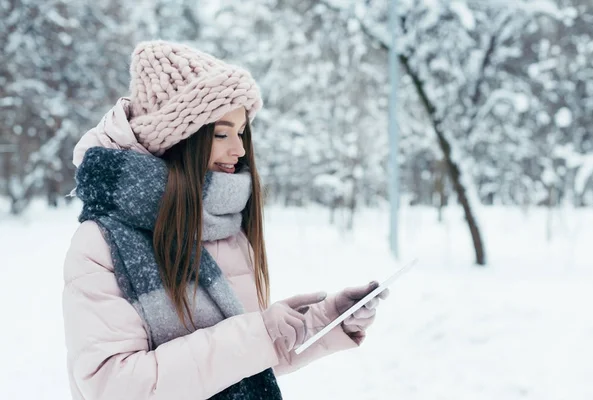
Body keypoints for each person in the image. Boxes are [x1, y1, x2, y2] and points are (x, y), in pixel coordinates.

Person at [62, 40, 389, 400]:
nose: (240, 149)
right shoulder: (101, 243)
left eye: (241, 132)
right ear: (179, 138)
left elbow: (244, 363)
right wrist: (259, 333)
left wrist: (327, 320)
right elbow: (115, 386)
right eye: (222, 134)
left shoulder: (222, 229)